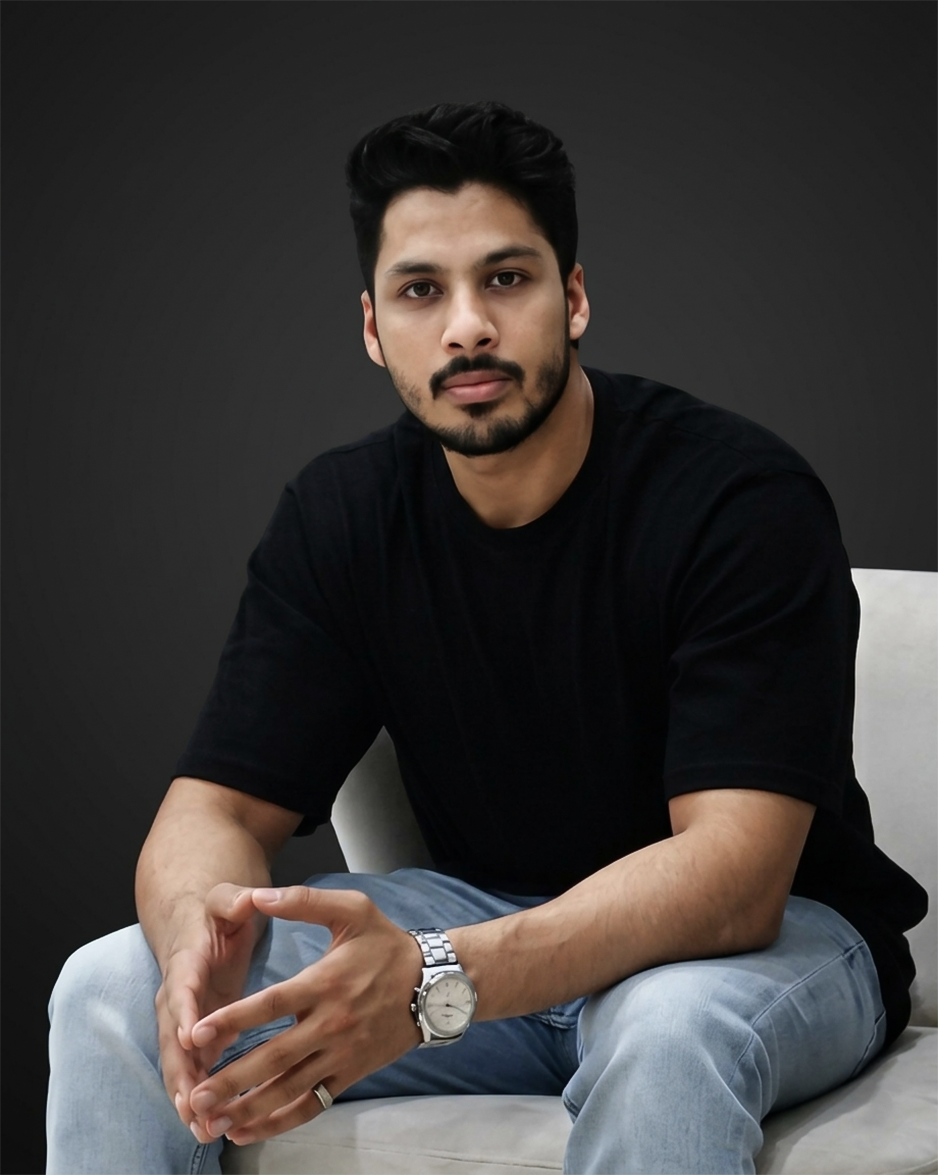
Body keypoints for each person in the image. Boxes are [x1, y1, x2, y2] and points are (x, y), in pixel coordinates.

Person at [47, 100, 927, 1175]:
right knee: (111, 985)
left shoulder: (736, 499)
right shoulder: (342, 517)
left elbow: (733, 875)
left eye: (505, 278)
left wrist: (433, 974)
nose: (466, 326)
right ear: (372, 326)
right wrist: (197, 938)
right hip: (479, 926)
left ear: (574, 297)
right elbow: (216, 809)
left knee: (666, 1035)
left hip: (771, 942)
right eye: (422, 290)